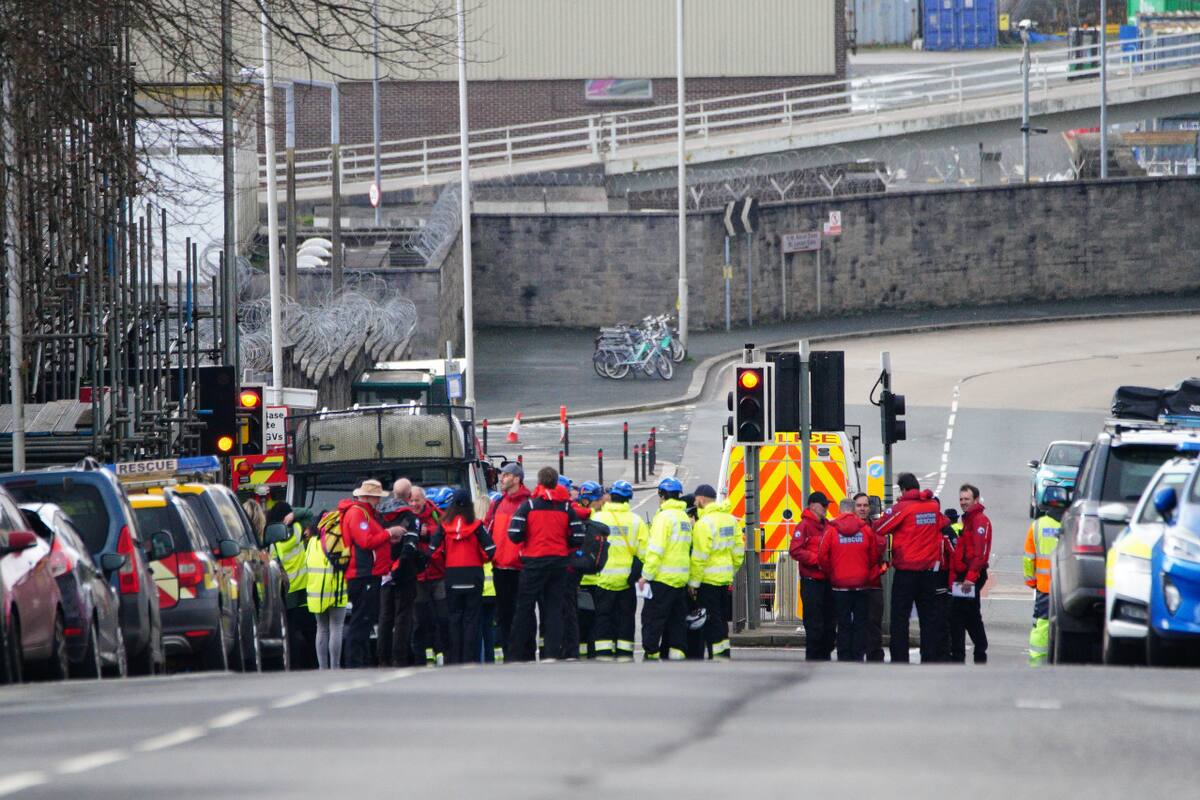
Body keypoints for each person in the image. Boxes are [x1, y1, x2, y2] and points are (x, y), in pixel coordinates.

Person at [507, 467, 583, 662]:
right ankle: (551, 653)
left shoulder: (529, 506)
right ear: (556, 482)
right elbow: (578, 537)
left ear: (540, 482)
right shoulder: (566, 507)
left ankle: (515, 654)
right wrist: (564, 542)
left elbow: (514, 534)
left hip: (534, 562)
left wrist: (529, 538)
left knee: (524, 609)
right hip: (559, 563)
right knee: (554, 610)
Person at [876, 473, 951, 664]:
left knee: (900, 618)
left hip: (906, 573)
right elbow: (944, 522)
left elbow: (879, 527)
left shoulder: (903, 508)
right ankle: (929, 657)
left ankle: (900, 659)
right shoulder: (933, 507)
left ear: (902, 489)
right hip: (928, 573)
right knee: (928, 619)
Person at [339, 479, 404, 668]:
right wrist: (389, 533)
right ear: (367, 497)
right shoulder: (358, 514)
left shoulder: (365, 514)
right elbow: (365, 541)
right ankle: (354, 662)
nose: (378, 501)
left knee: (364, 620)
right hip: (362, 574)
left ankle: (361, 660)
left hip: (368, 574)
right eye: (376, 498)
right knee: (361, 620)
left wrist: (386, 538)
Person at [431, 489, 495, 664]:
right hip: (473, 574)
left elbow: (432, 551)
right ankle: (470, 658)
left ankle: (455, 659)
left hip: (452, 575)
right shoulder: (476, 525)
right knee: (471, 619)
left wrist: (446, 558)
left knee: (454, 618)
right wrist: (479, 557)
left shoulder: (444, 526)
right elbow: (491, 550)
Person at [583, 480, 644, 661]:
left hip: (602, 580)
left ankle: (603, 655)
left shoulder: (598, 518)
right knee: (626, 619)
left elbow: (589, 549)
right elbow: (644, 553)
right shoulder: (636, 521)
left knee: (603, 618)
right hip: (626, 581)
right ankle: (625, 654)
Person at [819, 498, 882, 662]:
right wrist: (865, 574)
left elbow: (822, 557)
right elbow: (874, 556)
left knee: (843, 623)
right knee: (861, 623)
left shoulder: (831, 530)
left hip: (840, 585)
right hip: (862, 585)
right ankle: (858, 655)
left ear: (840, 511)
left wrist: (832, 574)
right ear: (853, 510)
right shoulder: (865, 530)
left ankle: (843, 655)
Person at [639, 477, 693, 661]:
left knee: (652, 619)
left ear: (662, 495)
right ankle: (676, 654)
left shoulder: (663, 518)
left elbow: (656, 551)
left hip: (662, 579)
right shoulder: (683, 517)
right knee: (676, 621)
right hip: (680, 580)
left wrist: (646, 576)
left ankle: (652, 654)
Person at [689, 484, 744, 660]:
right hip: (724, 579)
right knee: (721, 619)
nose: (695, 503)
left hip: (707, 580)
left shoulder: (704, 523)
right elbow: (738, 552)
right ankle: (723, 651)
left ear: (702, 499)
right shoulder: (730, 520)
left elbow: (699, 557)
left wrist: (693, 583)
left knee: (712, 620)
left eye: (696, 500)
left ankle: (717, 654)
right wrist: (731, 571)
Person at [484, 463, 532, 661]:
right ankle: (508, 654)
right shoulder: (497, 503)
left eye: (506, 475)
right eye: (502, 475)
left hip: (521, 568)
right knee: (504, 615)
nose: (502, 478)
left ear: (517, 479)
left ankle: (525, 654)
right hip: (500, 567)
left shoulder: (528, 503)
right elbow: (487, 528)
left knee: (524, 614)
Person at [268, 502, 317, 669]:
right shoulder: (296, 530)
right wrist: (294, 514)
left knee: (290, 634)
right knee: (310, 631)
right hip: (303, 590)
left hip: (286, 592)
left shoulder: (272, 538)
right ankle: (313, 665)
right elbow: (309, 514)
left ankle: (294, 666)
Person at [789, 492, 835, 661]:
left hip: (828, 582)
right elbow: (795, 550)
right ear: (813, 505)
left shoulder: (828, 526)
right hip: (812, 582)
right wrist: (817, 560)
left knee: (829, 624)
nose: (826, 508)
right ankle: (814, 660)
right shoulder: (804, 526)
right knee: (815, 625)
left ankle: (825, 657)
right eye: (824, 505)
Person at [378, 479, 419, 667]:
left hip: (383, 574)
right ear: (409, 496)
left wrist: (386, 570)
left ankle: (382, 658)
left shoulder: (380, 515)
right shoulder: (411, 518)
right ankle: (399, 658)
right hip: (404, 574)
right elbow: (410, 548)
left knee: (385, 618)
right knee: (402, 618)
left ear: (394, 493)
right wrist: (398, 569)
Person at [949, 483, 992, 664]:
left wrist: (970, 579)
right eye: (961, 499)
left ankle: (978, 651)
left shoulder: (979, 521)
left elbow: (980, 554)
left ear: (976, 500)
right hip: (964, 576)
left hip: (970, 576)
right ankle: (962, 655)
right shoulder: (968, 520)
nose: (963, 502)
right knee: (959, 615)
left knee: (969, 614)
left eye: (967, 499)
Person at [1023, 493, 1063, 667]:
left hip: (1044, 588)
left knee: (1042, 625)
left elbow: (1028, 558)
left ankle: (1037, 661)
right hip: (1066, 587)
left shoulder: (1037, 526)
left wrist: (1031, 581)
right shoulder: (1071, 525)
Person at [306, 509, 349, 669]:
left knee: (322, 629)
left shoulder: (311, 543)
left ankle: (322, 668)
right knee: (336, 627)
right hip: (336, 590)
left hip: (317, 593)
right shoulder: (339, 540)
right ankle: (335, 667)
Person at [414, 487, 451, 665]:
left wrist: (427, 536)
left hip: (438, 574)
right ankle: (424, 655)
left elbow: (442, 540)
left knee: (442, 617)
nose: (414, 504)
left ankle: (441, 652)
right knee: (422, 619)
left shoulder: (437, 515)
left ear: (424, 500)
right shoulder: (406, 517)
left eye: (417, 500)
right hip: (418, 576)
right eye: (411, 500)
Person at [558, 477, 594, 660]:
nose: (573, 492)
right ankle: (568, 649)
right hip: (570, 567)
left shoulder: (564, 508)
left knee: (563, 610)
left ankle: (565, 649)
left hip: (561, 567)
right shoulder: (568, 508)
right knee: (568, 610)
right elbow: (585, 512)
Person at [572, 481, 605, 659]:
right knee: (591, 623)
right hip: (593, 579)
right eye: (599, 499)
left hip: (578, 578)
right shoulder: (598, 519)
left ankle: (580, 653)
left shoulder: (573, 515)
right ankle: (589, 654)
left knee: (579, 623)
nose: (602, 503)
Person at [853, 492, 886, 662]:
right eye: (859, 505)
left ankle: (875, 657)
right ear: (854, 507)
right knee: (855, 624)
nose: (863, 509)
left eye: (865, 505)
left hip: (873, 584)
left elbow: (881, 547)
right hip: (853, 586)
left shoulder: (876, 528)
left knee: (874, 623)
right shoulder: (848, 527)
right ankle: (855, 656)